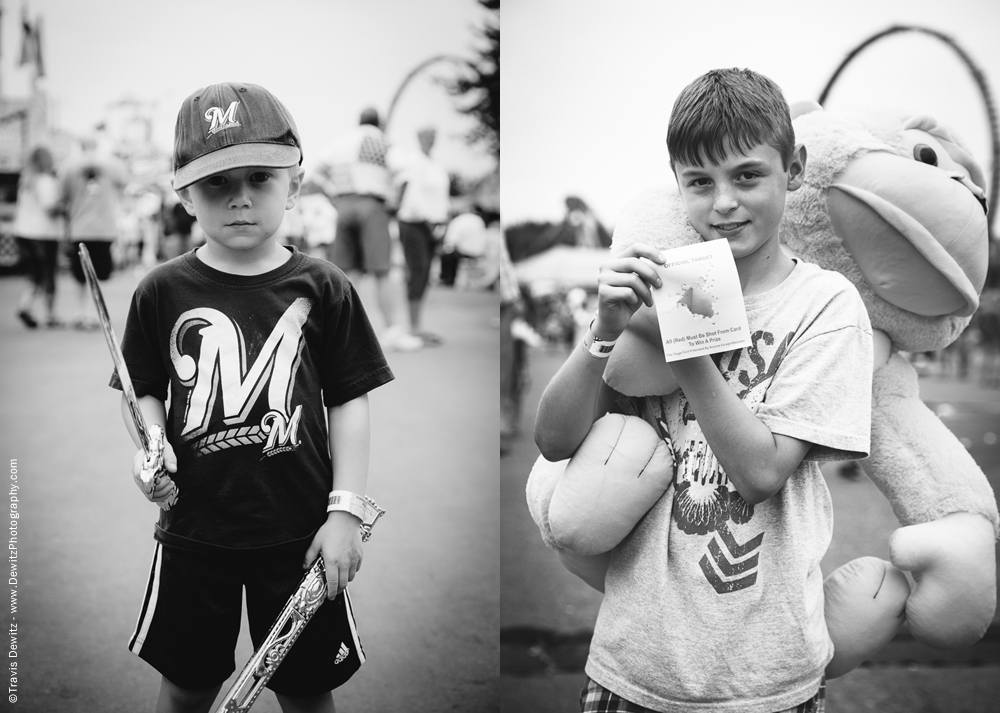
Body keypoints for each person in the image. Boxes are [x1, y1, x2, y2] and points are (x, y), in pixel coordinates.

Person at [534, 68, 874, 713]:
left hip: (767, 674)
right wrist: (603, 332)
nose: (723, 203)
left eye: (747, 175)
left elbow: (762, 471)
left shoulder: (825, 303)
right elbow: (553, 441)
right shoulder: (657, 284)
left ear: (793, 169)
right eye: (699, 182)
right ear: (678, 185)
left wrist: (681, 339)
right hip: (632, 661)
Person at [111, 82, 394, 713]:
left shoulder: (325, 286)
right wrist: (150, 449)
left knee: (305, 690)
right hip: (194, 531)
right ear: (184, 193)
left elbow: (350, 401)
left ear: (294, 183)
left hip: (301, 535)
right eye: (217, 183)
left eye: (261, 177)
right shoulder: (159, 291)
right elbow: (143, 392)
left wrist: (345, 511)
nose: (240, 198)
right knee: (186, 686)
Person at [313, 107, 422, 351]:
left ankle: (341, 332)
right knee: (381, 271)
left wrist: (335, 199)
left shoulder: (339, 143)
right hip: (373, 206)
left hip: (344, 205)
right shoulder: (382, 142)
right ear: (379, 123)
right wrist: (395, 206)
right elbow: (404, 174)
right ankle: (392, 331)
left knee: (346, 272)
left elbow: (317, 173)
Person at [61, 135, 128, 329]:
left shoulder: (68, 166)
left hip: (78, 227)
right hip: (104, 228)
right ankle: (94, 313)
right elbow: (124, 181)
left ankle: (82, 312)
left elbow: (62, 196)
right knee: (99, 274)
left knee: (80, 274)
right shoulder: (112, 164)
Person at [391, 126, 451, 344]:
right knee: (417, 272)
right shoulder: (413, 160)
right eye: (427, 135)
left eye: (434, 135)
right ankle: (413, 327)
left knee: (426, 275)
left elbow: (441, 199)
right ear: (418, 137)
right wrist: (429, 226)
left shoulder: (435, 164)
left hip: (434, 226)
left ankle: (418, 326)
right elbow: (413, 197)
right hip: (415, 224)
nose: (431, 139)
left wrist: (443, 225)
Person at [13, 145, 64, 328]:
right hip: (43, 234)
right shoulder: (46, 181)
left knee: (34, 274)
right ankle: (51, 315)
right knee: (48, 273)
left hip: (23, 232)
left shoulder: (26, 181)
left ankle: (25, 305)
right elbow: (50, 207)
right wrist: (64, 205)